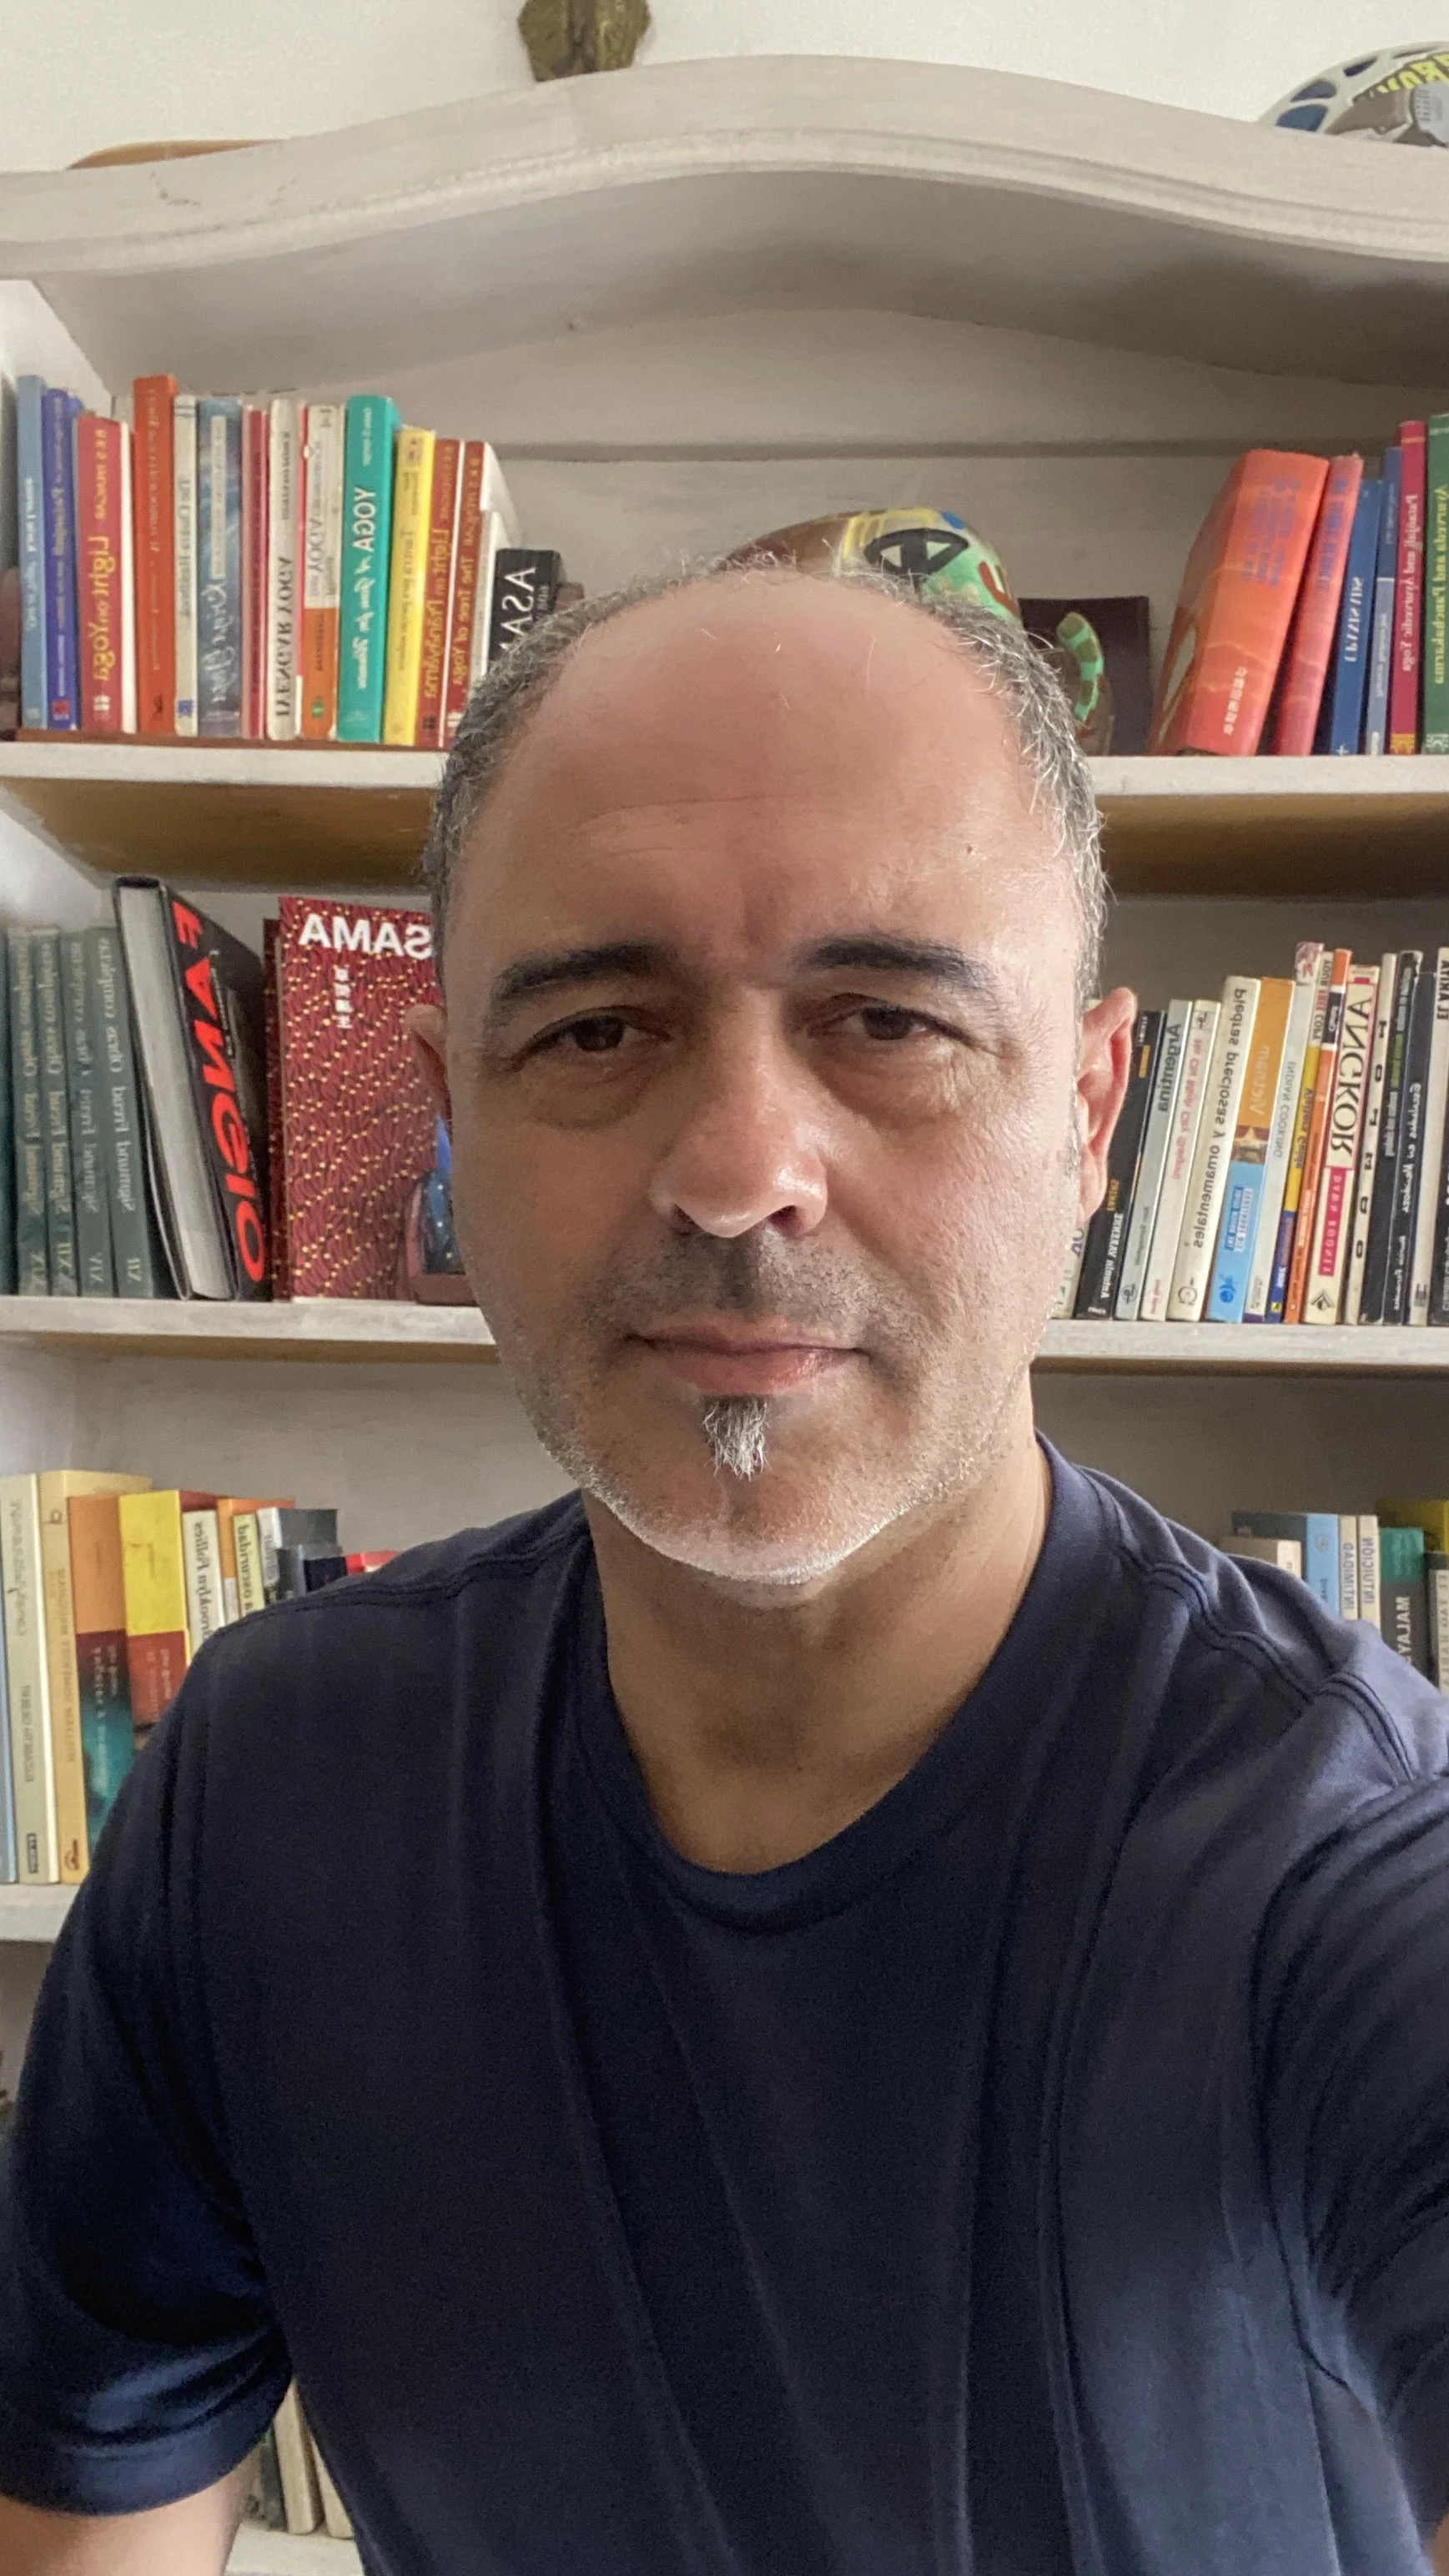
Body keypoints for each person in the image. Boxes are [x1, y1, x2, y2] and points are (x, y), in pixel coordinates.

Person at [2, 563, 1448, 2576]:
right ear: (449, 1117)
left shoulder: (1348, 1854)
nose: (738, 1165)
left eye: (891, 1019)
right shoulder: (273, 1779)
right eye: (598, 1025)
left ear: (1088, 1115)